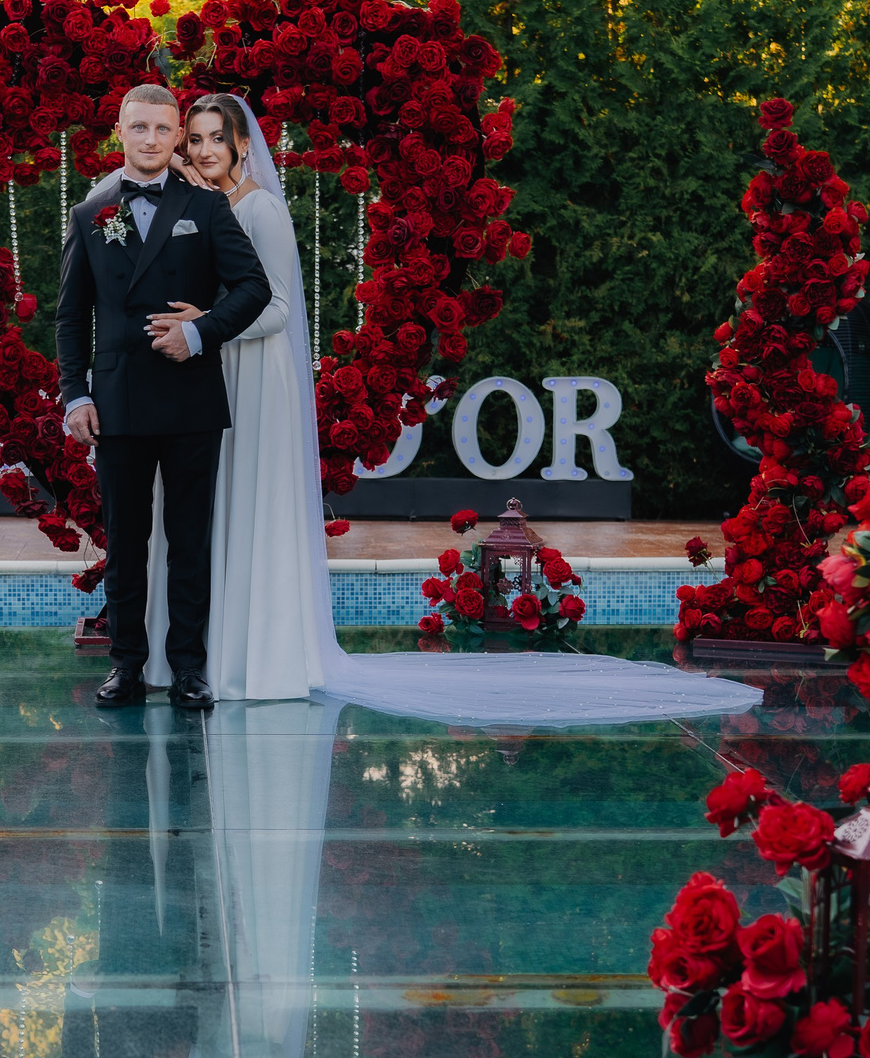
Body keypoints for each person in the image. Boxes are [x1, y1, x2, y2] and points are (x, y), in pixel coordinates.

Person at [139, 92, 763, 725]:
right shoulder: (207, 207)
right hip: (216, 368)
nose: (204, 150)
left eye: (216, 137)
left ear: (243, 144)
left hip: (256, 372)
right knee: (216, 508)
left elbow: (275, 311)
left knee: (252, 505)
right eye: (195, 140)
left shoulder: (263, 211)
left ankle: (259, 660)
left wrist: (209, 324)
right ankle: (213, 653)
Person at [57, 84, 273, 711]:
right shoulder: (91, 212)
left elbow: (253, 288)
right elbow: (72, 319)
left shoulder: (206, 208)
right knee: (125, 542)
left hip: (189, 401)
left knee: (188, 541)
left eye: (162, 129)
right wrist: (75, 396)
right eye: (138, 128)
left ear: (178, 136)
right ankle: (126, 666)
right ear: (119, 132)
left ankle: (188, 669)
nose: (150, 140)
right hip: (117, 403)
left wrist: (200, 332)